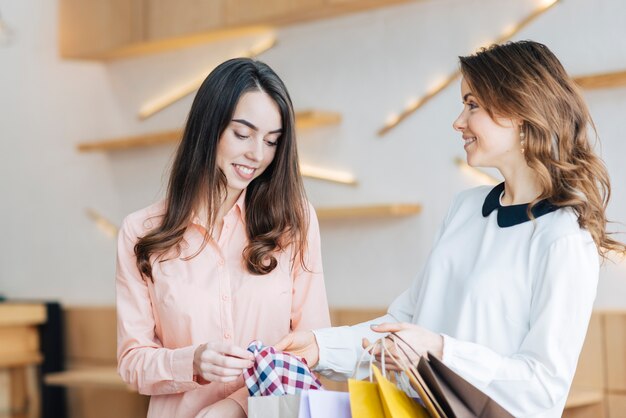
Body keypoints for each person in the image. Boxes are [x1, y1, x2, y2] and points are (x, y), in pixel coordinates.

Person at [276, 40, 626, 417]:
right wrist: (319, 347)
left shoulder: (564, 238)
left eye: (472, 104)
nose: (459, 121)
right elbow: (404, 323)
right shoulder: (466, 208)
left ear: (521, 113)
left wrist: (441, 351)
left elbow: (542, 389)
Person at [116, 58, 331, 418]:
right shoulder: (141, 232)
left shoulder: (295, 222)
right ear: (209, 127)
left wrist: (234, 407)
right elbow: (132, 362)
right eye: (242, 134)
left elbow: (312, 348)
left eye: (271, 141)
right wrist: (193, 362)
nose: (257, 154)